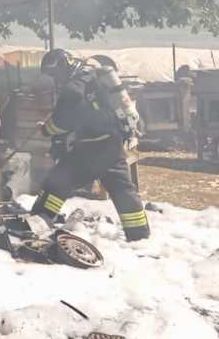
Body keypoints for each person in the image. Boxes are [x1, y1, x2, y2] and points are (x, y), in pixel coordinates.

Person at [31, 49, 149, 241]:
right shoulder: (93, 77)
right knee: (122, 190)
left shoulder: (73, 87)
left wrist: (45, 129)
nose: (55, 79)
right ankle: (140, 235)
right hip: (112, 144)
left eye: (54, 74)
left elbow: (61, 123)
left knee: (57, 182)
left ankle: (37, 221)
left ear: (63, 66)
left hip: (89, 149)